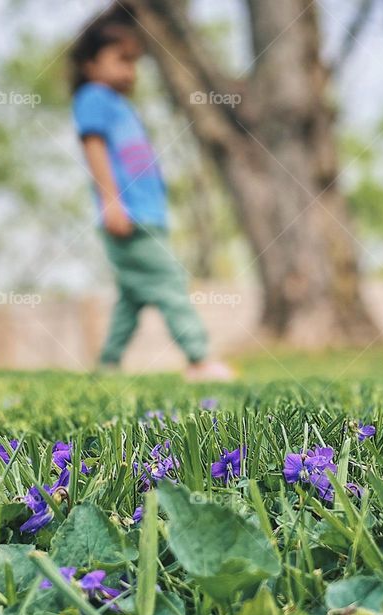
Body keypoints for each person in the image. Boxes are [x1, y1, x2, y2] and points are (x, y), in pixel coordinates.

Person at [69, 6, 233, 381]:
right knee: (170, 282)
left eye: (134, 61)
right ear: (89, 63)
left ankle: (108, 365)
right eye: (120, 59)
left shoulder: (121, 104)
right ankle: (199, 359)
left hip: (147, 215)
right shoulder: (93, 97)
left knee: (131, 298)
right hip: (129, 215)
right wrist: (112, 201)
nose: (130, 70)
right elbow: (94, 150)